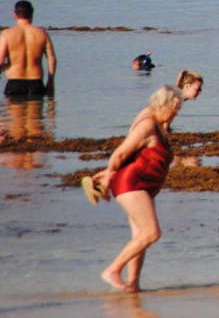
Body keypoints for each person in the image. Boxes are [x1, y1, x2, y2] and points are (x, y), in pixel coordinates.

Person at [90, 85, 183, 293]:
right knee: (152, 233)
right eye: (174, 108)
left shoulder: (159, 122)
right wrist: (109, 175)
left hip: (144, 186)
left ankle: (133, 285)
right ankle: (112, 271)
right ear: (162, 104)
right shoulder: (147, 124)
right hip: (131, 183)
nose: (176, 112)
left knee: (140, 237)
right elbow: (120, 153)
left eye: (178, 108)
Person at [0, 0, 57, 98]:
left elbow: (0, 61)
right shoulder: (42, 33)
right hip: (36, 82)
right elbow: (52, 59)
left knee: (14, 112)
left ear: (15, 15)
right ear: (32, 14)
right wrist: (50, 81)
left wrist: (7, 67)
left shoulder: (6, 34)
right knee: (35, 112)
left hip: (14, 82)